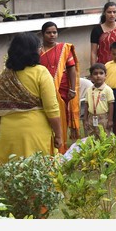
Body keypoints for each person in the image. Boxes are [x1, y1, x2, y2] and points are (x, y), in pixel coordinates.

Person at [0, 32, 63, 167]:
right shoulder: (40, 72)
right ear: (33, 51)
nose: (40, 49)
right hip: (34, 130)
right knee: (38, 174)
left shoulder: (5, 75)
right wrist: (58, 135)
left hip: (9, 131)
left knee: (11, 171)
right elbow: (51, 108)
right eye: (38, 47)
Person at [39, 22, 79, 152]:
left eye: (54, 32)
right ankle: (47, 148)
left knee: (62, 117)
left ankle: (62, 148)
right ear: (42, 34)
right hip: (43, 90)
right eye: (48, 32)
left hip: (63, 89)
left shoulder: (64, 49)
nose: (52, 35)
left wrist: (72, 89)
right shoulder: (37, 52)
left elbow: (71, 69)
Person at [83, 63, 114, 137]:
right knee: (92, 138)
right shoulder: (89, 90)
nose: (98, 76)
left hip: (103, 118)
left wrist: (110, 120)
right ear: (91, 77)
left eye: (101, 73)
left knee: (104, 138)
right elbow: (86, 105)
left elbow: (111, 105)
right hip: (91, 117)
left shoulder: (108, 90)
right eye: (95, 74)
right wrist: (85, 120)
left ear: (105, 76)